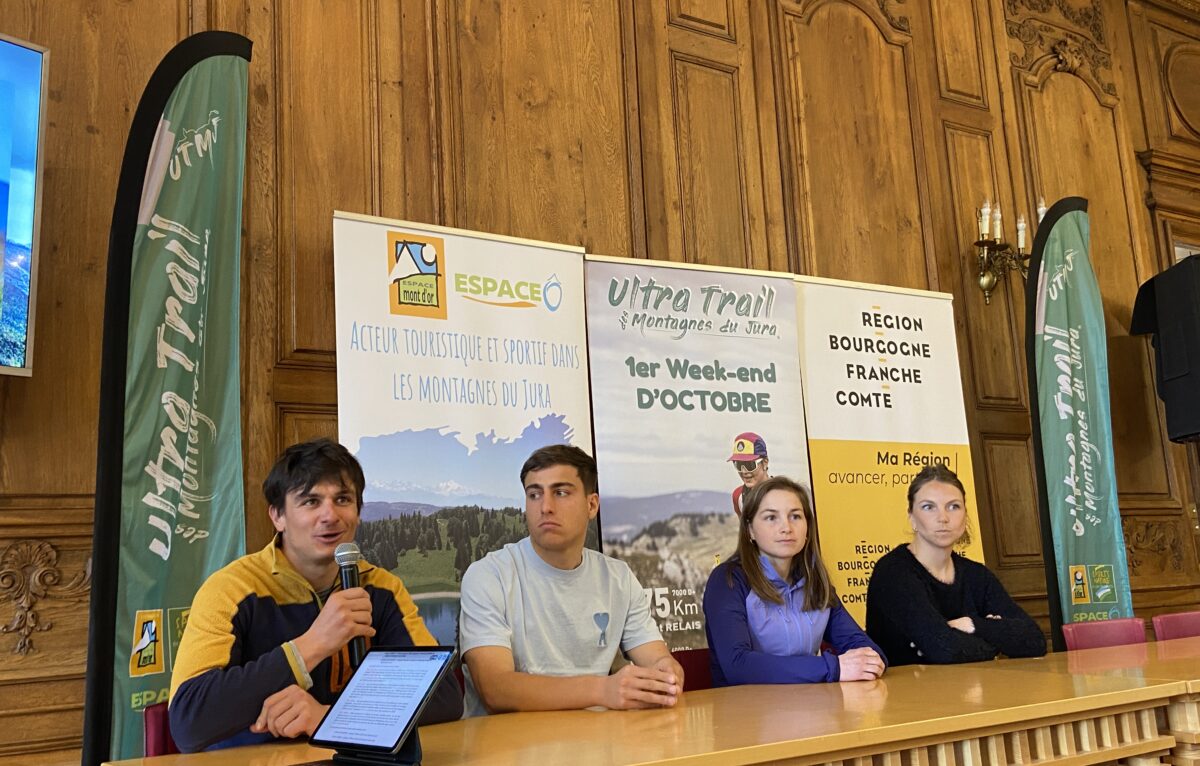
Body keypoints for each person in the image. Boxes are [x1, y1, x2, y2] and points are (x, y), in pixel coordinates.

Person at [168, 438, 462, 752]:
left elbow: (443, 697)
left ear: (358, 513)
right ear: (277, 516)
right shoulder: (231, 589)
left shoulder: (382, 588)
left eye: (343, 499)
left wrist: (328, 718)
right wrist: (311, 646)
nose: (330, 515)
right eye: (310, 501)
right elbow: (188, 720)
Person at [458, 444, 685, 716]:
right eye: (534, 494)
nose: (545, 507)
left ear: (592, 505)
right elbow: (496, 689)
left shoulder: (618, 577)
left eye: (561, 492)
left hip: (601, 746)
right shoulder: (488, 575)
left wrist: (666, 673)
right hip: (508, 749)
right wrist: (603, 690)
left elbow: (656, 657)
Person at [704, 476, 886, 685]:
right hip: (748, 713)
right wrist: (832, 668)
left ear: (808, 528)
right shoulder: (727, 580)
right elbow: (738, 666)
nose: (786, 528)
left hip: (813, 710)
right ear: (750, 530)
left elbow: (866, 650)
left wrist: (869, 662)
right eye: (771, 518)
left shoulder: (815, 581)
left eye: (796, 516)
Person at [866, 464, 1046, 665]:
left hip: (973, 688)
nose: (943, 518)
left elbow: (1034, 640)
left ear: (965, 515)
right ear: (912, 517)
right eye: (928, 507)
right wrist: (997, 642)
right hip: (906, 693)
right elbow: (946, 650)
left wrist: (974, 625)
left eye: (953, 506)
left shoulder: (977, 575)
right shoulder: (893, 572)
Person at [728, 431, 770, 516]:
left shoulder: (783, 494)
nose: (744, 471)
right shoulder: (738, 496)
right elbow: (744, 529)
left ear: (765, 463)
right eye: (739, 465)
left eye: (749, 465)